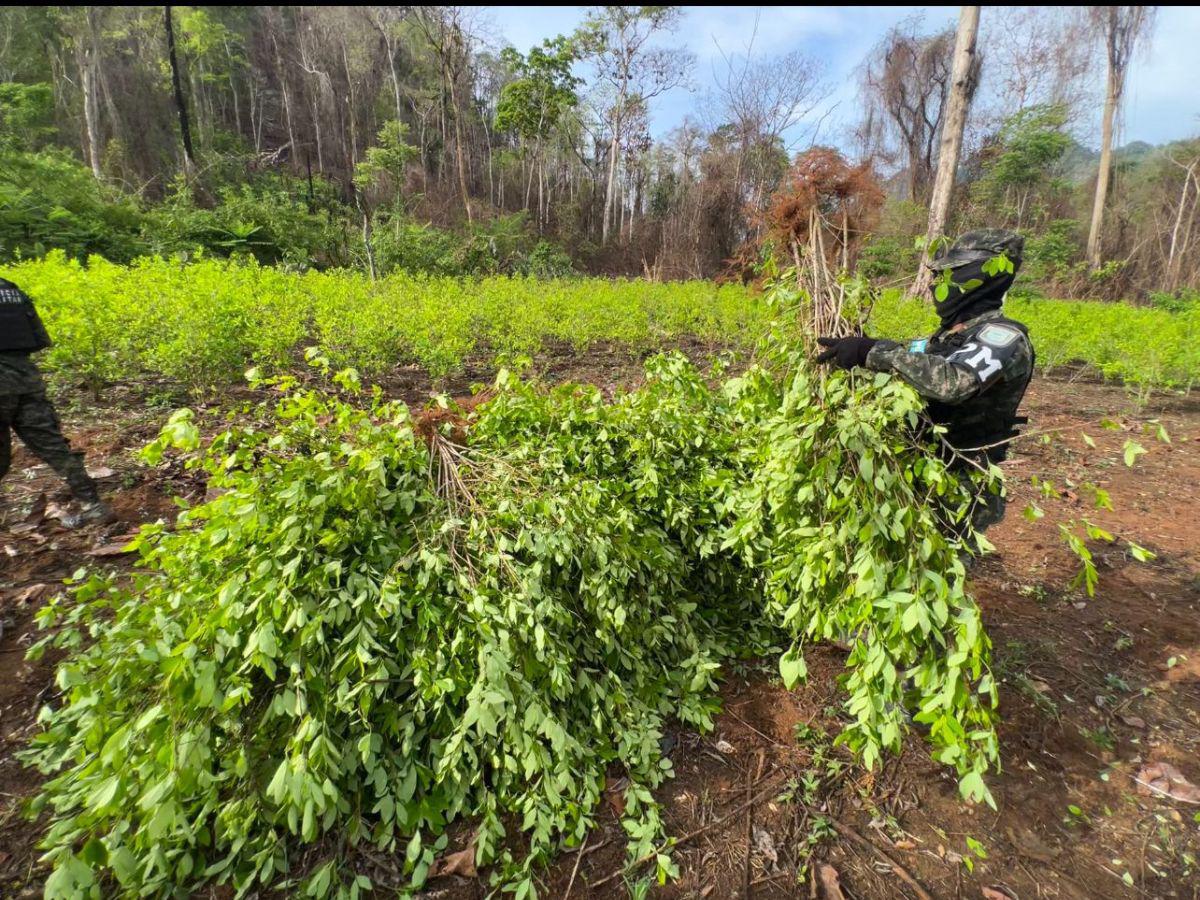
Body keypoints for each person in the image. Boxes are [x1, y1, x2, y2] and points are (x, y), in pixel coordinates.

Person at [815, 229, 1034, 535]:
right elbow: (915, 358)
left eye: (947, 276)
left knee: (941, 572)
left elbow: (953, 381)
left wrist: (873, 352)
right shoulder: (950, 335)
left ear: (979, 278)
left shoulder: (1002, 337)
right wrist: (870, 346)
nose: (935, 284)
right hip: (921, 476)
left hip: (959, 487)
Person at [0, 276, 115, 527]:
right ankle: (93, 506)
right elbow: (40, 338)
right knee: (54, 448)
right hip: (26, 380)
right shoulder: (12, 291)